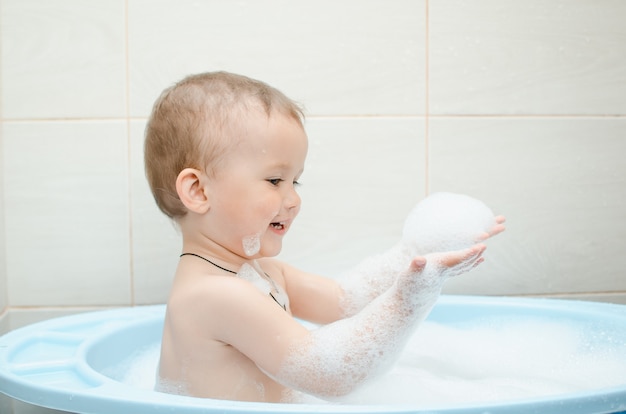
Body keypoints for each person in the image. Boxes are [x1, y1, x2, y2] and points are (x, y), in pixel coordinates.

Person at [144, 71, 505, 403]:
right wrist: (409, 300)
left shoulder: (260, 272)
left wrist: (419, 254)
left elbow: (342, 301)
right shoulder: (215, 294)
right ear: (198, 191)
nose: (294, 199)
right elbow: (328, 372)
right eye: (274, 181)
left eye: (294, 181)